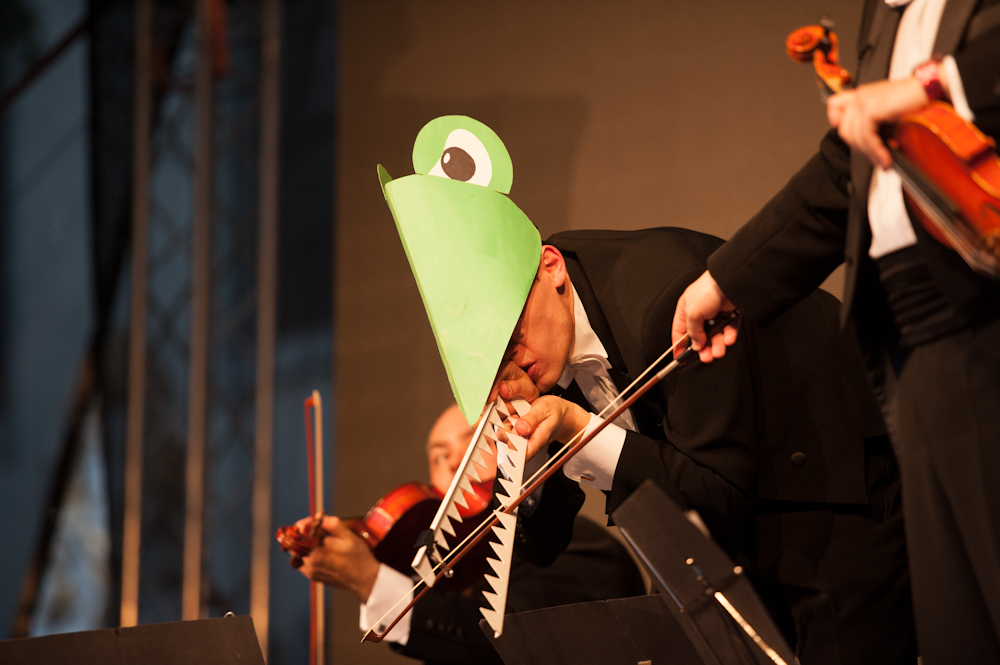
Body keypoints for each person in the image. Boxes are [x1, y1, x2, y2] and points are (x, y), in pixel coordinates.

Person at [671, 2, 1000, 663]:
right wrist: (726, 279)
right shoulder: (885, 13)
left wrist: (932, 85)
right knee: (958, 626)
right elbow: (848, 168)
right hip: (910, 338)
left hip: (985, 313)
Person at [491, 228, 915, 665]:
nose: (511, 358)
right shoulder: (538, 349)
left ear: (551, 267)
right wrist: (528, 453)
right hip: (712, 530)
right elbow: (543, 545)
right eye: (492, 352)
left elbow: (718, 491)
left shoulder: (666, 294)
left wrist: (581, 430)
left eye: (511, 330)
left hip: (831, 497)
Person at [294, 404, 645, 665]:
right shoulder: (448, 577)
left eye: (475, 445)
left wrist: (369, 580)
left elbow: (505, 647)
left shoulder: (582, 546)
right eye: (439, 456)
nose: (455, 462)